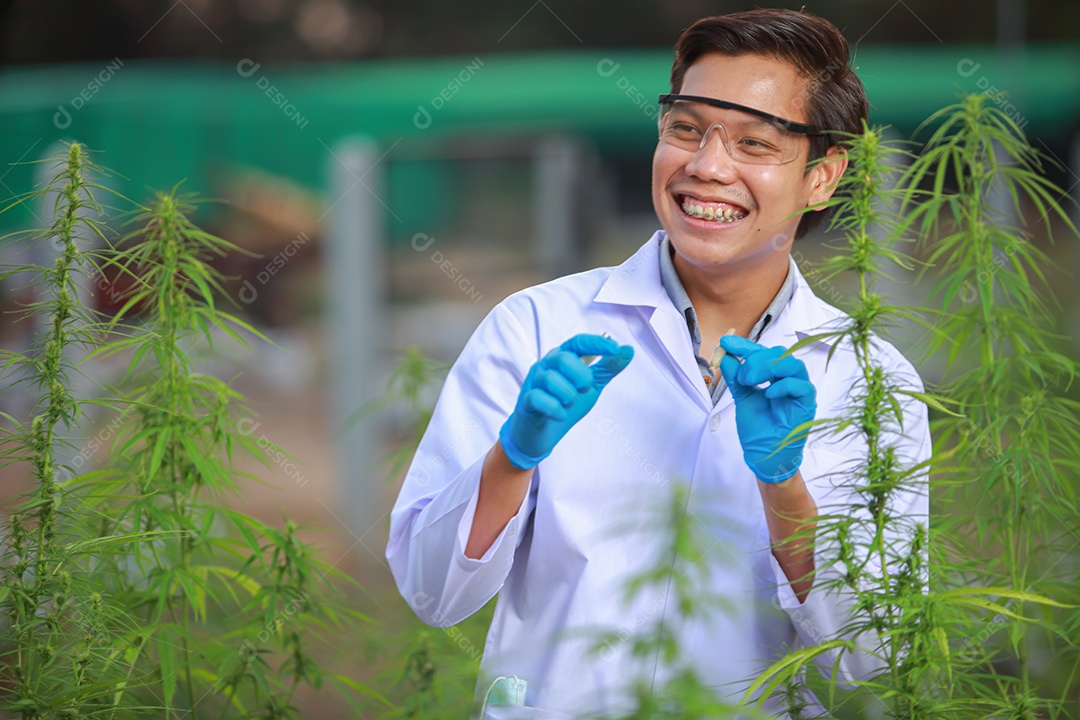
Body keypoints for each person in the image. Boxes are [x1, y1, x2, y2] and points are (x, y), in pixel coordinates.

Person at [386, 8, 930, 718]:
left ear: (822, 178)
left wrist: (785, 488)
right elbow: (433, 593)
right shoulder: (535, 327)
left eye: (754, 143)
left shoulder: (869, 380)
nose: (706, 166)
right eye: (685, 129)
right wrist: (512, 457)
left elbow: (877, 659)